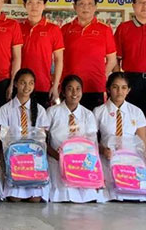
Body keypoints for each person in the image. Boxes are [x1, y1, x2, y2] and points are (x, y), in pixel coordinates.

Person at [94, 72, 146, 201]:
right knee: (109, 196)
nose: (119, 92)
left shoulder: (136, 112)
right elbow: (92, 141)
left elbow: (144, 143)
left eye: (123, 88)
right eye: (115, 87)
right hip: (107, 161)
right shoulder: (99, 111)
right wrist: (103, 150)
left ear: (128, 90)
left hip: (131, 163)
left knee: (132, 197)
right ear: (108, 89)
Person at [46, 75, 106, 203]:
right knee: (62, 192)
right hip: (57, 160)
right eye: (70, 89)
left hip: (80, 163)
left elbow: (92, 145)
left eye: (78, 89)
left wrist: (94, 172)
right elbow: (43, 141)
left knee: (86, 194)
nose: (74, 93)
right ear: (63, 92)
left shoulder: (88, 114)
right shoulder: (52, 112)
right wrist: (57, 156)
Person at [0, 68, 49, 202]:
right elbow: (3, 137)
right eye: (23, 83)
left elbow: (42, 139)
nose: (27, 87)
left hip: (34, 159)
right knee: (15, 198)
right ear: (15, 84)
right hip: (14, 159)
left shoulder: (40, 110)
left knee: (35, 199)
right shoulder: (5, 109)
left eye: (31, 83)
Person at [61, 0, 117, 111]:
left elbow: (112, 59)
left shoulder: (105, 30)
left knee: (94, 120)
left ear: (95, 7)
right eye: (81, 3)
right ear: (74, 6)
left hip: (94, 86)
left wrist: (101, 75)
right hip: (70, 87)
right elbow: (58, 58)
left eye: (90, 4)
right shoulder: (65, 29)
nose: (85, 7)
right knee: (69, 120)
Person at [20, 0, 64, 107]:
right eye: (30, 2)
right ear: (24, 5)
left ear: (44, 5)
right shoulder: (17, 27)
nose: (34, 6)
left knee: (40, 118)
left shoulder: (53, 29)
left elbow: (59, 59)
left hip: (43, 85)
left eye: (38, 3)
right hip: (20, 85)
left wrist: (55, 86)